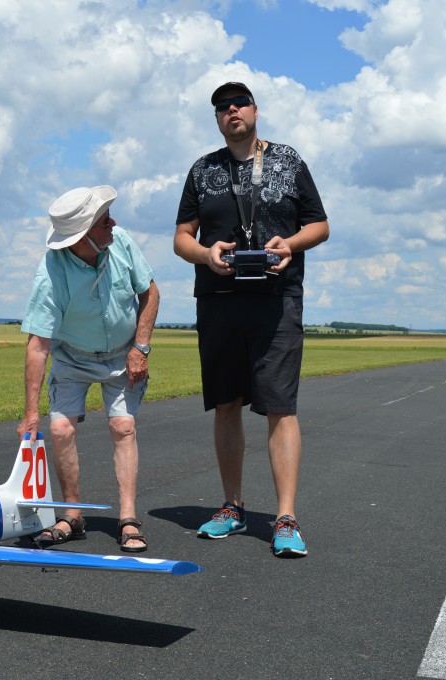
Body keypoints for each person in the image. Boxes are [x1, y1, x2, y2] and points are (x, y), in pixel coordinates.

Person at [172, 82, 329, 557]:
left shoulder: (287, 160)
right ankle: (232, 507)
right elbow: (181, 237)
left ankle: (285, 518)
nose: (231, 111)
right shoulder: (203, 170)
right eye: (221, 108)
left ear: (255, 110)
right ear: (216, 119)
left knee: (280, 406)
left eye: (238, 103)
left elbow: (319, 224)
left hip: (277, 299)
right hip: (219, 298)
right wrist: (205, 253)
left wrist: (290, 244)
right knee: (225, 403)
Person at [19, 185, 159, 553]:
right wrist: (31, 411)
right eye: (104, 221)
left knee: (123, 425)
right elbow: (39, 344)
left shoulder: (121, 242)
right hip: (73, 356)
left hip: (122, 354)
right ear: (83, 237)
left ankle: (128, 518)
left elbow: (150, 293)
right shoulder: (51, 270)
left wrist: (140, 348)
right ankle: (72, 514)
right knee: (60, 428)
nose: (113, 223)